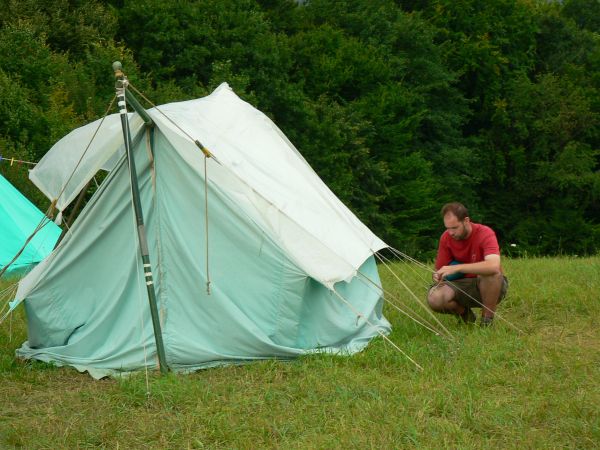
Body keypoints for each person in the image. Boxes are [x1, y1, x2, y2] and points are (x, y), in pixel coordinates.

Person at [427, 202, 508, 326]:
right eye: (447, 228)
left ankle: (487, 322)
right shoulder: (446, 238)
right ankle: (466, 316)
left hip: (491, 286)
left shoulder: (485, 232)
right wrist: (438, 276)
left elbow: (493, 266)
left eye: (454, 228)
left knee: (491, 274)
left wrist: (458, 268)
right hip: (460, 285)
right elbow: (441, 271)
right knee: (434, 298)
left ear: (466, 221)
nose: (450, 233)